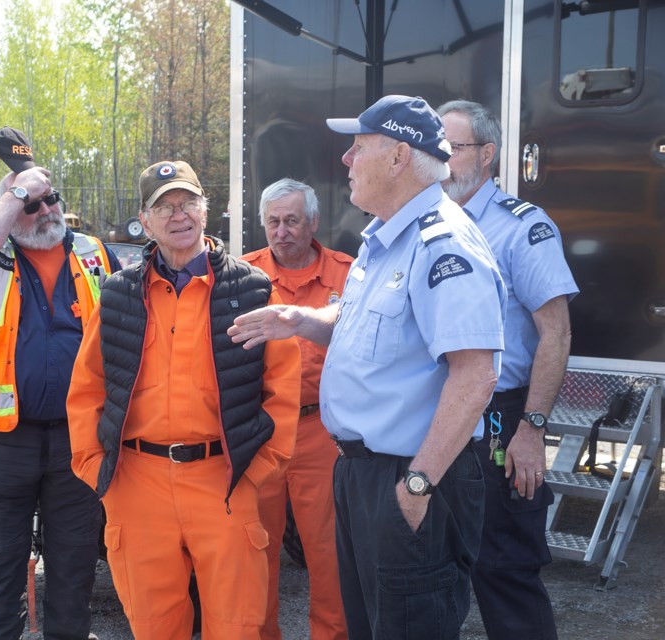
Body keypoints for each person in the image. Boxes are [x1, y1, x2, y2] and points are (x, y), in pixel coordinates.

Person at [228, 95, 508, 639]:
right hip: (361, 472)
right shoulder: (383, 240)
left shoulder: (442, 243)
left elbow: (476, 374)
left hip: (411, 473)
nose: (346, 160)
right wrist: (302, 319)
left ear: (399, 157)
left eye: (358, 148)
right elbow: (365, 323)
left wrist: (418, 484)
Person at [67, 160, 302, 639]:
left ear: (205, 208)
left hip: (226, 481)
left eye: (188, 202)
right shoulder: (117, 296)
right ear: (145, 220)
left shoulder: (253, 289)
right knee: (154, 628)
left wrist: (256, 475)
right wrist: (100, 472)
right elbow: (86, 389)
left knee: (237, 626)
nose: (179, 215)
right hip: (138, 484)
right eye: (164, 206)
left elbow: (282, 389)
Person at [0, 132, 120, 640]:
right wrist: (13, 195)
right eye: (30, 203)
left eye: (50, 198)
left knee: (74, 570)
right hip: (4, 441)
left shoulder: (96, 255)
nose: (45, 209)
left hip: (78, 440)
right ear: (8, 210)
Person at [437, 99, 578, 640]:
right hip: (440, 413)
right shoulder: (430, 224)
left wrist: (531, 429)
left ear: (487, 153)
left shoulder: (523, 228)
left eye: (453, 147)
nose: (441, 157)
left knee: (503, 567)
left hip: (500, 417)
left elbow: (556, 334)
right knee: (438, 565)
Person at [242, 178, 352, 640]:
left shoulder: (349, 274)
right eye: (273, 222)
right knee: (255, 549)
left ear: (313, 222)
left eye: (291, 220)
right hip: (260, 429)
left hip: (321, 431)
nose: (281, 231)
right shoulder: (240, 274)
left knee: (328, 552)